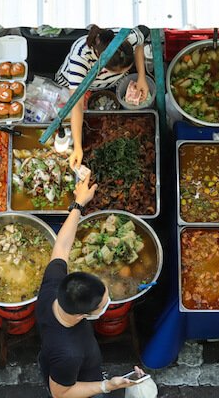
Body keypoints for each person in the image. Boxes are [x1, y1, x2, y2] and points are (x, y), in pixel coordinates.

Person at [36, 171, 144, 398]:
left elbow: (62, 247)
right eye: (102, 304)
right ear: (82, 315)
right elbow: (61, 393)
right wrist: (107, 387)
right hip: (78, 383)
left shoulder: (53, 286)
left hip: (67, 362)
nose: (107, 304)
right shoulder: (68, 353)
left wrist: (78, 204)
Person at [55, 26, 149, 170]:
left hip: (107, 82)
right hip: (79, 84)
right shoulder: (80, 60)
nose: (126, 72)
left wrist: (142, 77)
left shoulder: (126, 37)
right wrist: (78, 147)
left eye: (127, 69)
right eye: (121, 71)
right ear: (102, 64)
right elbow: (77, 105)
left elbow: (139, 45)